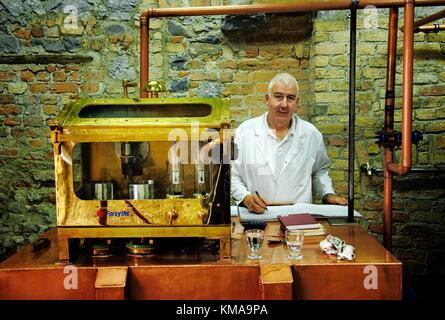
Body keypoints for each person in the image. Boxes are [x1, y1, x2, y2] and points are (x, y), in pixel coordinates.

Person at [231, 72, 347, 213]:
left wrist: (327, 194)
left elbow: (319, 171)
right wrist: (245, 197)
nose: (284, 104)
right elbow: (232, 174)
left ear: (297, 102)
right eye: (278, 97)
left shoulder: (311, 134)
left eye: (290, 98)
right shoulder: (244, 131)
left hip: (299, 216)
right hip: (257, 215)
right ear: (267, 99)